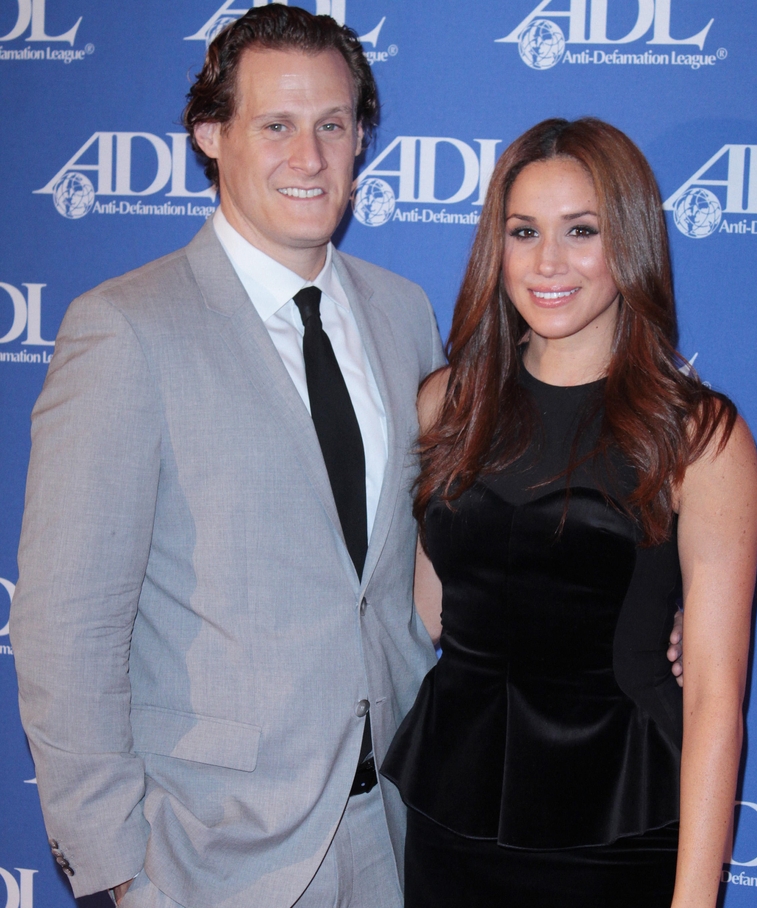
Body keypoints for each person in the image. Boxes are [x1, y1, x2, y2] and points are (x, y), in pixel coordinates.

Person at [10, 7, 445, 908]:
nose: (310, 156)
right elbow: (68, 629)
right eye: (276, 125)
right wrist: (120, 872)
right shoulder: (127, 328)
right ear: (211, 134)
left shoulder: (406, 316)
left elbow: (424, 564)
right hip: (208, 857)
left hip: (396, 831)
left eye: (333, 124)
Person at [381, 118, 757, 908]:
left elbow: (717, 700)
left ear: (628, 241)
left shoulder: (699, 437)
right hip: (454, 823)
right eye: (524, 232)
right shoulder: (447, 404)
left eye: (580, 231)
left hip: (618, 834)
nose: (548, 262)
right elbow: (423, 613)